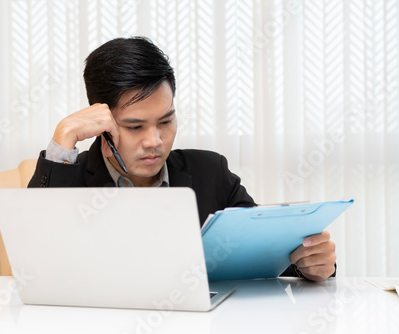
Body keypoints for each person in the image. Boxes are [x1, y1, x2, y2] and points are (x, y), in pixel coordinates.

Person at [28, 36, 336, 282]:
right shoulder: (70, 179)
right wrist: (63, 137)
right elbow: (34, 257)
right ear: (103, 125)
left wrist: (310, 266)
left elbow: (262, 256)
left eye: (165, 121)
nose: (155, 141)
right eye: (135, 126)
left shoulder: (210, 173)